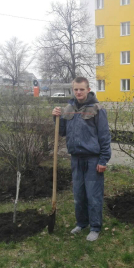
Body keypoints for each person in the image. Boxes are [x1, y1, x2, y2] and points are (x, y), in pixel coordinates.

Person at [52, 77, 111, 242]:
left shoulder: (97, 109)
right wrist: (56, 117)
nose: (78, 92)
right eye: (76, 89)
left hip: (93, 159)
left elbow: (105, 137)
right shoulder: (68, 108)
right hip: (76, 158)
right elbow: (62, 131)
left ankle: (95, 227)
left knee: (93, 195)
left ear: (88, 89)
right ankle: (81, 223)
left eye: (81, 89)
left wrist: (103, 160)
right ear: (73, 90)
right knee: (78, 194)